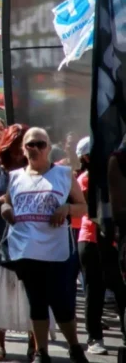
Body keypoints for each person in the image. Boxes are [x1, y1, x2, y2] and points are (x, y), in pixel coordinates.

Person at [1, 127, 88, 363]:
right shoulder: (16, 176)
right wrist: (6, 210)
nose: (35, 148)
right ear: (23, 148)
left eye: (41, 144)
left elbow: (83, 206)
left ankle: (74, 347)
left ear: (49, 148)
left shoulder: (63, 174)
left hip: (56, 249)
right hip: (26, 249)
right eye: (30, 144)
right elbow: (7, 203)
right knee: (36, 301)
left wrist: (67, 208)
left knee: (61, 302)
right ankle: (42, 352)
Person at [0, 124, 36, 362]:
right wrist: (2, 200)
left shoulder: (37, 171)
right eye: (20, 142)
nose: (23, 148)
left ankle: (34, 344)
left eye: (28, 144)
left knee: (31, 295)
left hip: (31, 241)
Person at [76, 136, 126, 355]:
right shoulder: (86, 179)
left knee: (120, 290)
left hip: (111, 240)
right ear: (87, 157)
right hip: (90, 239)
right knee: (94, 290)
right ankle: (94, 337)